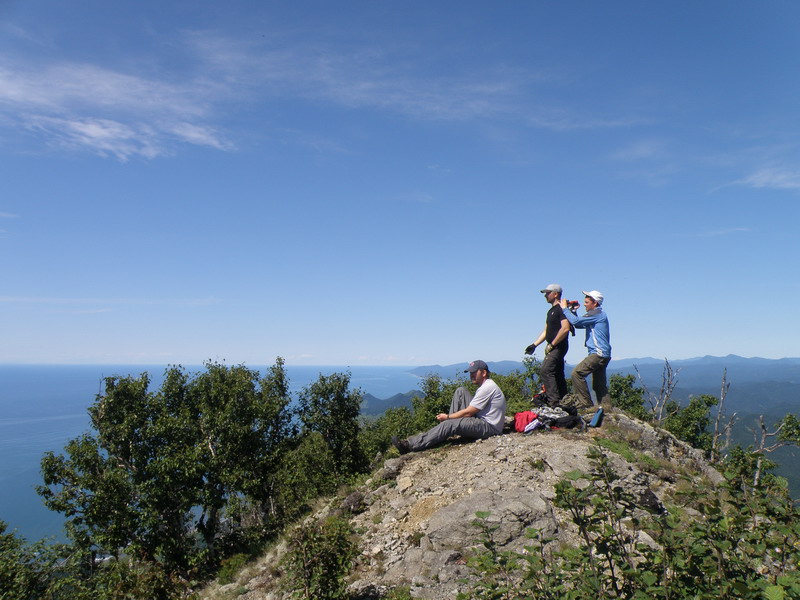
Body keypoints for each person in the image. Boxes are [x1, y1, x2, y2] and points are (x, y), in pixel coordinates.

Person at [392, 360, 506, 454]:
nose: (471, 375)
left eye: (474, 372)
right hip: (482, 420)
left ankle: (410, 445)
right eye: (471, 373)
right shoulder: (486, 385)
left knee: (449, 422)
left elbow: (468, 413)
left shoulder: (487, 388)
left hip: (490, 428)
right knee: (461, 391)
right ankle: (448, 429)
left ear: (484, 373)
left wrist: (448, 417)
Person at [561, 290, 612, 408]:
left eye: (587, 302)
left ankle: (585, 403)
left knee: (577, 373)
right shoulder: (596, 314)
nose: (584, 304)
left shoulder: (596, 314)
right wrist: (573, 310)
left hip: (597, 354)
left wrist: (565, 309)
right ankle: (606, 408)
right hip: (604, 354)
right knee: (599, 385)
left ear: (594, 303)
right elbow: (578, 324)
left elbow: (575, 321)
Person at [524, 283, 571, 406]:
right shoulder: (551, 311)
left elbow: (565, 329)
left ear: (555, 294)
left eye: (548, 293)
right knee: (557, 373)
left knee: (546, 371)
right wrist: (534, 345)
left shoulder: (561, 309)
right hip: (555, 347)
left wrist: (553, 344)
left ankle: (554, 403)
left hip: (558, 346)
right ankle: (564, 400)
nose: (545, 295)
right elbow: (546, 330)